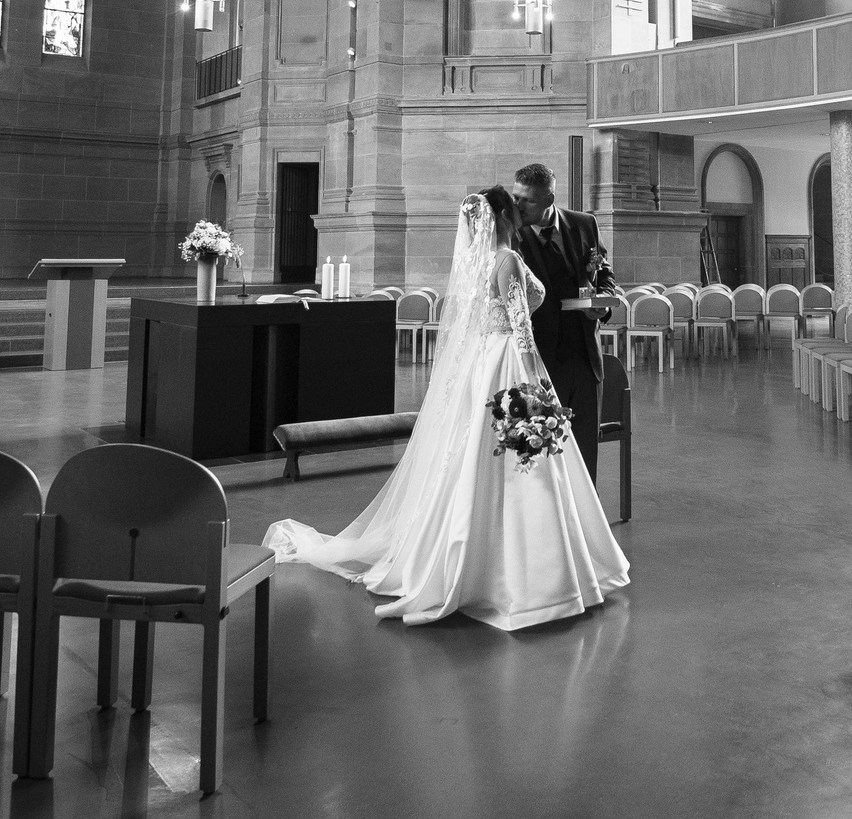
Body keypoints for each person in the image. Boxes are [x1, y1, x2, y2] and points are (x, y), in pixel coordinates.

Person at [264, 185, 628, 631]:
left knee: (482, 455)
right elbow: (522, 330)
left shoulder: (479, 263)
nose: (520, 210)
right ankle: (522, 570)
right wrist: (537, 385)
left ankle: (475, 550)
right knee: (512, 456)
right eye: (513, 206)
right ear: (502, 217)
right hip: (510, 360)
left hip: (484, 363)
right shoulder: (509, 260)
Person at [509, 161, 611, 473]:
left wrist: (604, 303)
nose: (518, 205)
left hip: (583, 356)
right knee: (540, 455)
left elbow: (605, 273)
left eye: (528, 200)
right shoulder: (511, 235)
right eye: (516, 197)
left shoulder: (584, 224)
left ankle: (582, 521)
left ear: (550, 199)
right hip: (537, 358)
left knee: (583, 453)